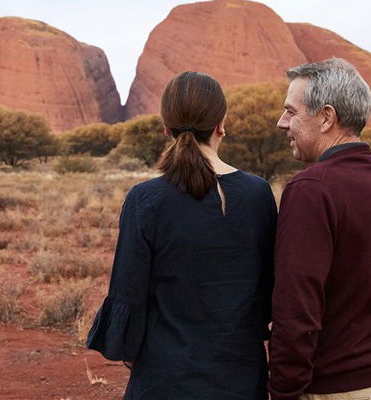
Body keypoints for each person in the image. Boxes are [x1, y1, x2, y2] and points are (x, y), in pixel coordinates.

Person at [86, 71, 278, 399]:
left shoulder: (145, 199)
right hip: (241, 378)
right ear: (221, 123)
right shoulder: (258, 193)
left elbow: (128, 293)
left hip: (165, 379)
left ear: (165, 127)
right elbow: (269, 291)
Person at [268, 58, 371, 400]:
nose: (281, 122)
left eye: (291, 111)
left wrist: (284, 391)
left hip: (330, 390)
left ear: (326, 117)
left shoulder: (311, 189)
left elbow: (296, 309)